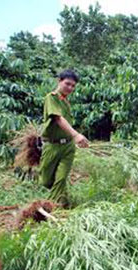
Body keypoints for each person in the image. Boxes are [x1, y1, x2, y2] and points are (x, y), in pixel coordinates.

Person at [39, 69, 89, 207]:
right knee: (45, 181)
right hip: (52, 145)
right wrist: (76, 134)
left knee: (61, 179)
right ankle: (64, 202)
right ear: (59, 81)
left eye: (73, 86)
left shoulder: (66, 102)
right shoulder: (52, 97)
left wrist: (76, 138)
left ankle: (51, 207)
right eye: (67, 84)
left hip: (68, 146)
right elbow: (58, 119)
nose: (70, 88)